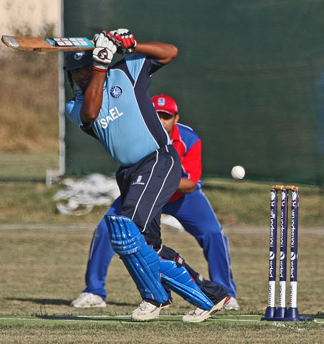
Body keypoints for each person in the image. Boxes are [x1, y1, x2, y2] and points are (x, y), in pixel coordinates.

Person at [64, 29, 230, 322]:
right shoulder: (75, 106)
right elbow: (91, 111)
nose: (80, 75)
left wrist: (130, 45)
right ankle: (214, 294)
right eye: (74, 72)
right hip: (129, 172)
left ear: (95, 64)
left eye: (85, 68)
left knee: (126, 230)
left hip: (156, 160)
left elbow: (170, 52)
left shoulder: (127, 71)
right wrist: (100, 65)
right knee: (149, 245)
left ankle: (158, 296)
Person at [70, 94, 239, 311]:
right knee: (106, 230)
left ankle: (226, 294)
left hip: (181, 198)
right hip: (143, 194)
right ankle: (94, 292)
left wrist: (161, 179)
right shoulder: (137, 136)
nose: (160, 120)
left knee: (213, 234)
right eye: (155, 114)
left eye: (165, 116)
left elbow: (191, 183)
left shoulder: (189, 139)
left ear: (176, 118)